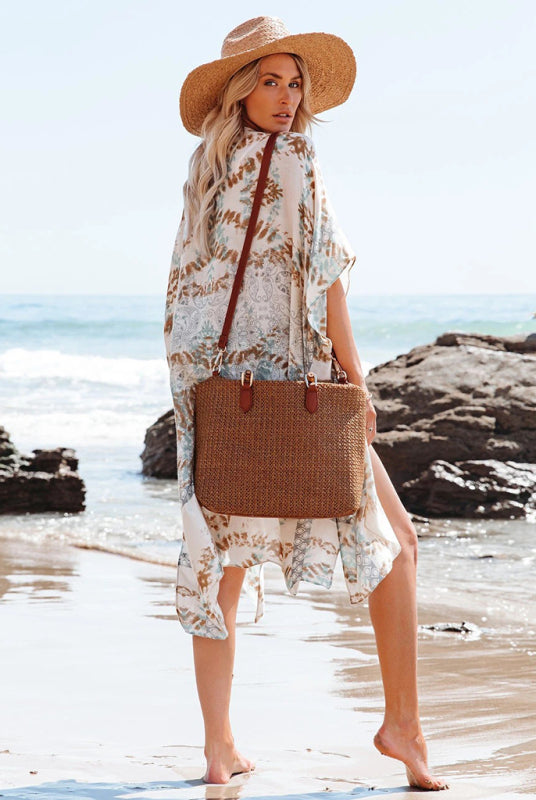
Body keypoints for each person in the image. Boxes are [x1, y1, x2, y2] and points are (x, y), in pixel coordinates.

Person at [165, 16, 448, 792]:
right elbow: (329, 281)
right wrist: (357, 382)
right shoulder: (294, 159)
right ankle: (402, 726)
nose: (287, 98)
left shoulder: (206, 175)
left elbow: (187, 300)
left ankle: (219, 748)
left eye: (295, 83)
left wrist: (197, 403)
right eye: (269, 81)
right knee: (399, 542)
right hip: (301, 395)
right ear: (239, 91)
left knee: (221, 567)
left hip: (227, 399)